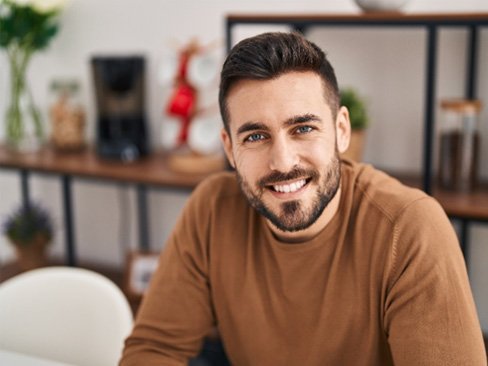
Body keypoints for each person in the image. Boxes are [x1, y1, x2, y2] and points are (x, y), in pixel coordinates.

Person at [120, 32, 486, 365]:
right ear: (230, 150)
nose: (282, 162)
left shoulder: (409, 228)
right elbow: (155, 349)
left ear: (341, 131)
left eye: (304, 128)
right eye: (255, 137)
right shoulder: (212, 209)